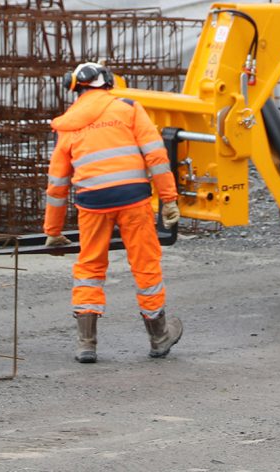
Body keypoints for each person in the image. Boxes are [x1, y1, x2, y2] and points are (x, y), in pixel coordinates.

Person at [43, 61, 184, 363]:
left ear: (75, 89)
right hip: (133, 198)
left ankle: (86, 344)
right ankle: (159, 337)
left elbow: (57, 185)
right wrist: (169, 199)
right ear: (108, 84)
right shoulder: (129, 108)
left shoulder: (69, 123)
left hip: (92, 202)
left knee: (90, 268)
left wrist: (53, 233)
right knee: (145, 265)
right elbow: (156, 155)